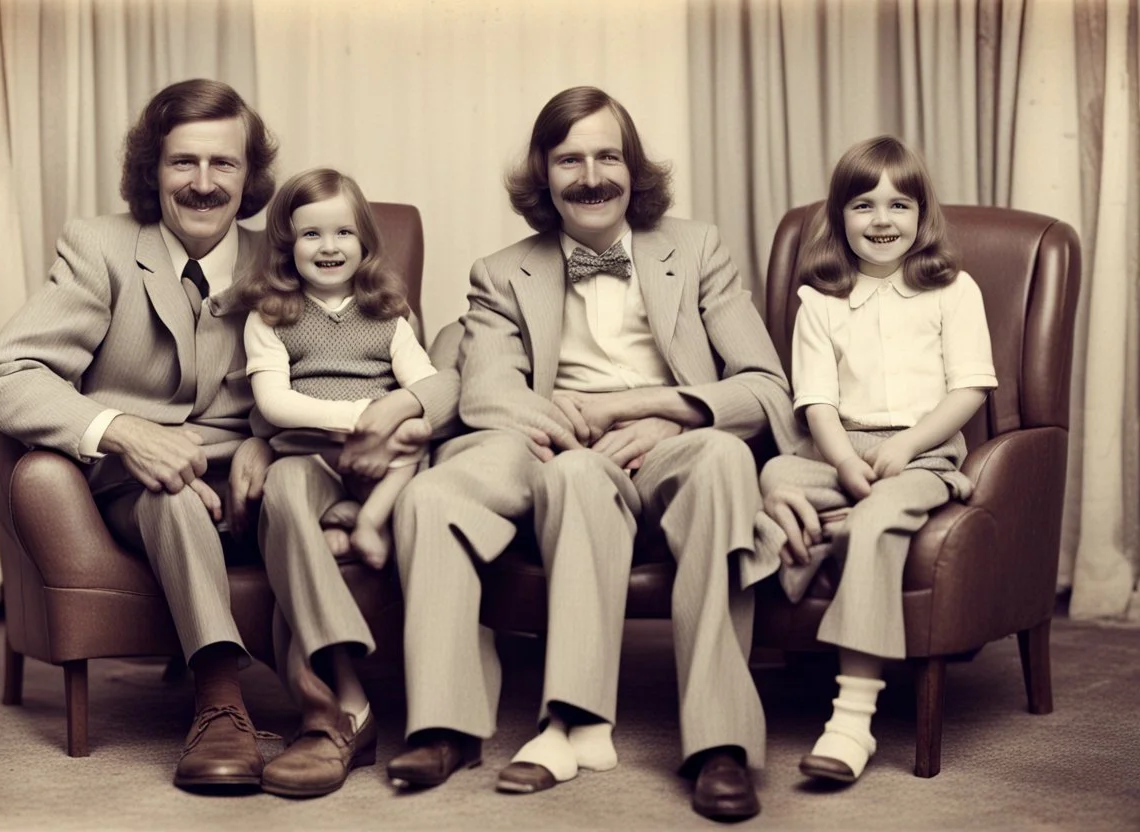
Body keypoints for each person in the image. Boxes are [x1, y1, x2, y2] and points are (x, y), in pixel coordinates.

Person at [0, 79, 431, 797]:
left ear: (251, 177)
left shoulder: (285, 257)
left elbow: (341, 367)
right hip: (132, 485)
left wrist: (263, 439)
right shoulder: (101, 247)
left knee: (285, 492)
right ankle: (220, 705)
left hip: (256, 474)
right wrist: (123, 431)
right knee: (172, 493)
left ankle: (333, 706)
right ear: (152, 171)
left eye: (225, 164)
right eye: (184, 162)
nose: (204, 183)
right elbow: (0, 378)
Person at [386, 86, 801, 823]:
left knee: (724, 462)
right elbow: (485, 395)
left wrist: (659, 411)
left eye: (608, 155)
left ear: (633, 169)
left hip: (675, 440)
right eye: (570, 158)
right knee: (432, 495)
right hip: (553, 438)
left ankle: (720, 743)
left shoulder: (696, 248)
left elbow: (766, 387)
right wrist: (571, 427)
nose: (591, 175)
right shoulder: (501, 270)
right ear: (544, 174)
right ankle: (448, 724)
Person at [753, 135, 997, 784]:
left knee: (874, 519)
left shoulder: (954, 291)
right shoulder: (820, 302)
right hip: (837, 448)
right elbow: (817, 403)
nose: (882, 221)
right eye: (863, 206)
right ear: (839, 220)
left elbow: (968, 389)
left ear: (923, 216)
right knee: (770, 477)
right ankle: (825, 530)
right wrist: (843, 462)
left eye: (899, 205)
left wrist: (905, 446)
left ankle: (851, 719)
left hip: (922, 451)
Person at [236, 167, 459, 797]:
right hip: (309, 458)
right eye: (311, 234)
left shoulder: (389, 315)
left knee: (418, 452)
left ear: (365, 243)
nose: (328, 246)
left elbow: (427, 386)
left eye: (342, 232)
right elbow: (276, 405)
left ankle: (363, 522)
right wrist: (361, 417)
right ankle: (344, 689)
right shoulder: (271, 316)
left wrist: (396, 421)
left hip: (382, 462)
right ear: (286, 244)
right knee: (281, 488)